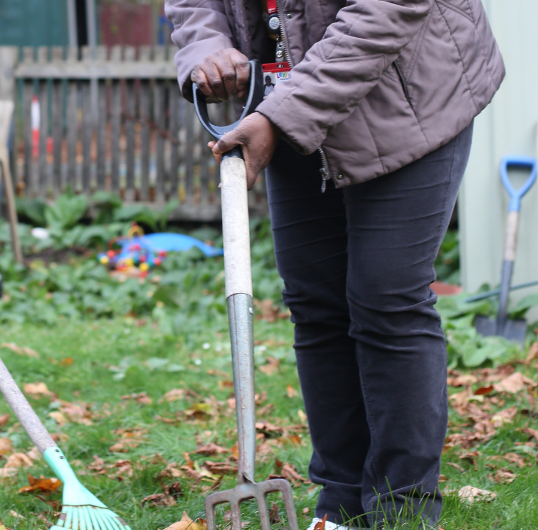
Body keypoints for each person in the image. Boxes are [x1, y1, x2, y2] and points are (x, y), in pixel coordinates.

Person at [165, 1, 504, 529]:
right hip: (286, 89)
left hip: (405, 90)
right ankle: (342, 504)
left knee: (386, 296)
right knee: (316, 300)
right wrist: (205, 44)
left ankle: (402, 510)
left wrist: (280, 115)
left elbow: (388, 8)